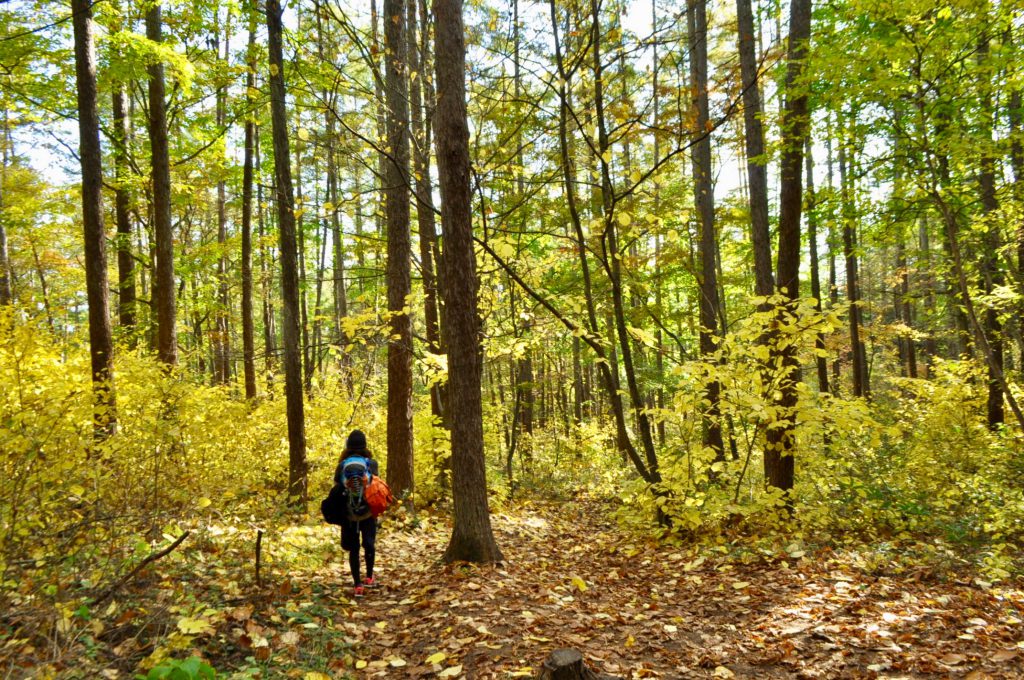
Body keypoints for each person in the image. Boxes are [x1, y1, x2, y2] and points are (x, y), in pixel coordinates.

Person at [334, 429, 380, 597]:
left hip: (349, 512)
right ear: (364, 445)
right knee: (369, 544)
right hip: (368, 511)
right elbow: (376, 486)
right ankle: (369, 577)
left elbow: (336, 486)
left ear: (348, 446)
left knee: (353, 548)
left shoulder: (342, 464)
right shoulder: (371, 463)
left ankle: (357, 585)